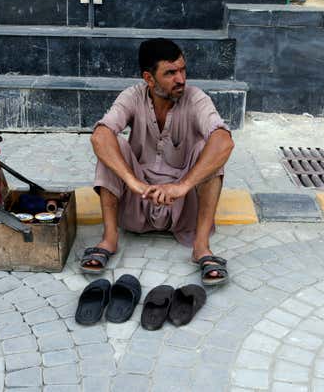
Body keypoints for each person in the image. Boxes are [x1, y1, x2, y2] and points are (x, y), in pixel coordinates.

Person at [80, 38, 235, 286]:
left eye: (183, 70)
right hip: (137, 202)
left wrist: (182, 186)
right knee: (110, 141)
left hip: (182, 207)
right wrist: (134, 184)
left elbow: (224, 142)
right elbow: (100, 137)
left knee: (211, 147)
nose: (181, 79)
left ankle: (201, 247)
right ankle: (109, 239)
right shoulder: (132, 96)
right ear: (149, 79)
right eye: (171, 73)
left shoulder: (196, 98)